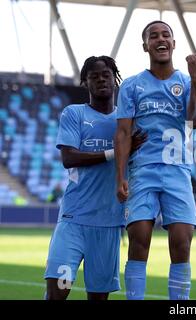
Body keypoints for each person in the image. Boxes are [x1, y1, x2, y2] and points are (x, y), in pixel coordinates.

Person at [115, 20, 196, 300]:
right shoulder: (131, 85)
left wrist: (195, 79)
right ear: (145, 46)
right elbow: (123, 132)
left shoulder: (186, 82)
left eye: (166, 34)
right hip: (142, 171)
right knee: (139, 241)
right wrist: (121, 178)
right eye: (153, 36)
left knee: (181, 243)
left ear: (174, 44)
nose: (160, 39)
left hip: (177, 171)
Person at [44, 56, 144, 300]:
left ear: (115, 79)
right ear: (85, 83)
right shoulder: (74, 114)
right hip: (73, 220)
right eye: (94, 76)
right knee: (59, 290)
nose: (101, 80)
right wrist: (116, 151)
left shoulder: (126, 121)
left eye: (106, 75)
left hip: (109, 224)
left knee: (98, 297)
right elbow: (69, 158)